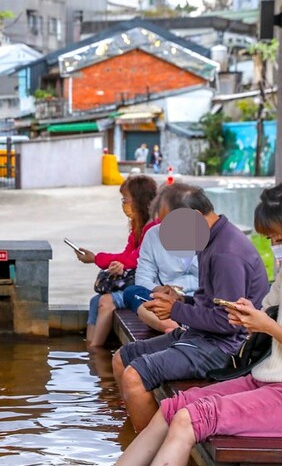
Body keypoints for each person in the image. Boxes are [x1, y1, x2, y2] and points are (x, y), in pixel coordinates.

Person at [114, 181, 282, 466]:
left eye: (279, 238)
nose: (276, 247)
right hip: (270, 380)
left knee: (189, 419)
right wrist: (249, 317)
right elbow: (265, 312)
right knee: (172, 408)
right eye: (272, 239)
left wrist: (266, 326)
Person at [111, 183, 270, 431]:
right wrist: (181, 301)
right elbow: (211, 302)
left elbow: (227, 322)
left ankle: (148, 449)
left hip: (224, 348)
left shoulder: (226, 254)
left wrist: (175, 310)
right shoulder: (212, 240)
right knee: (122, 358)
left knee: (134, 376)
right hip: (202, 336)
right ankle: (136, 436)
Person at [74, 175, 158, 349]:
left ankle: (95, 351)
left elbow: (136, 259)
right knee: (95, 301)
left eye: (125, 199)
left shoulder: (153, 227)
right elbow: (128, 255)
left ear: (139, 200)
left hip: (148, 286)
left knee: (106, 301)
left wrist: (96, 258)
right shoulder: (138, 225)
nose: (124, 204)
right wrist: (118, 265)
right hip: (135, 279)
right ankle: (89, 348)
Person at [121, 186, 199, 334]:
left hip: (198, 300)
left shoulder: (206, 234)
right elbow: (142, 278)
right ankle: (176, 330)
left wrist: (181, 293)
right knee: (132, 292)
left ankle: (180, 329)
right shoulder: (153, 235)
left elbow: (214, 281)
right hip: (164, 300)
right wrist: (159, 290)